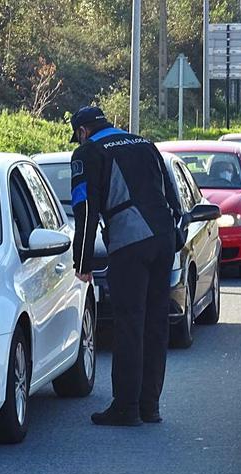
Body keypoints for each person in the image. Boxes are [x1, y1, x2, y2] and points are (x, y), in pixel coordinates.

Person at [68, 106, 184, 426]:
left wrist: (83, 261)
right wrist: (174, 237)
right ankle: (150, 406)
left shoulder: (87, 152)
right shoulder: (145, 144)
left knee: (130, 324)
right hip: (163, 240)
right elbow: (172, 197)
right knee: (155, 324)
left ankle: (126, 407)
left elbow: (86, 208)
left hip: (130, 243)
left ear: (82, 131)